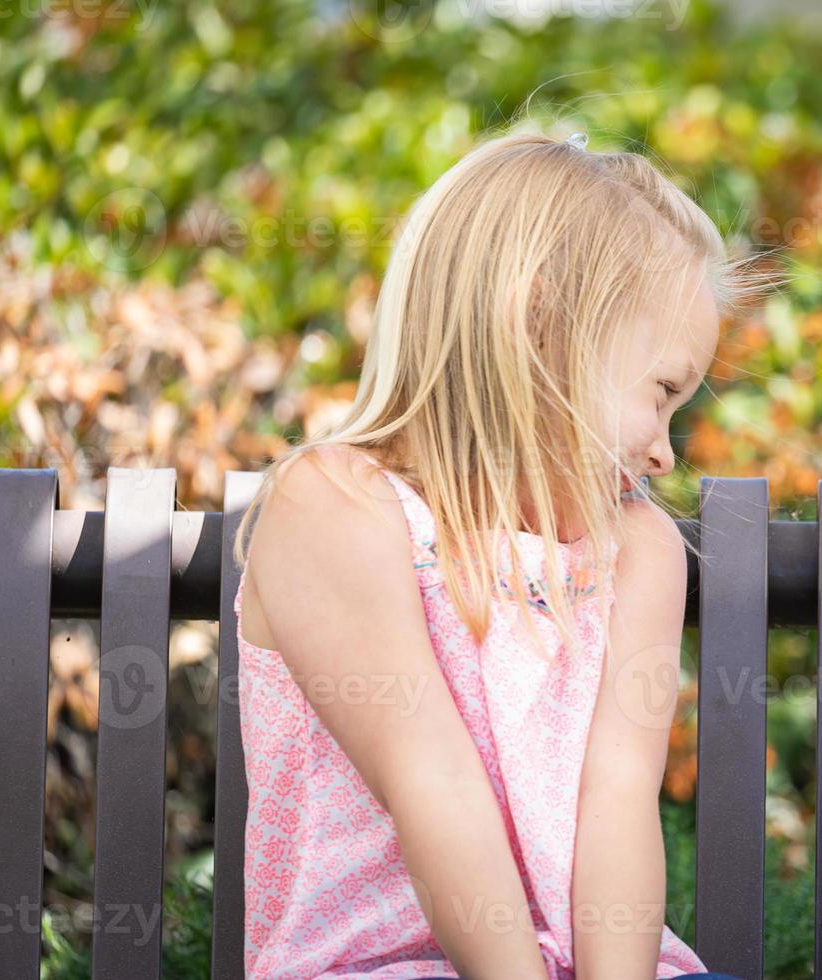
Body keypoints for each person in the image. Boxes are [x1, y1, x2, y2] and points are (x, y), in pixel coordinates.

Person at [233, 129, 756, 980]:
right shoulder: (336, 509)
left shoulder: (637, 548)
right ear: (539, 326)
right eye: (661, 393)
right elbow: (430, 783)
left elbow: (616, 804)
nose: (666, 452)